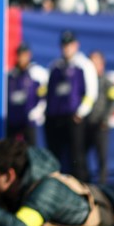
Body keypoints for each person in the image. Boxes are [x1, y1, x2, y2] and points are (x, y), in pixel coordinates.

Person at [44, 31, 97, 182]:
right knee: (55, 156)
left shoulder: (84, 64)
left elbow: (91, 92)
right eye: (64, 45)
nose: (66, 48)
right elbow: (48, 93)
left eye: (69, 45)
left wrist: (81, 112)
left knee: (77, 156)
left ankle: (83, 189)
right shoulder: (55, 66)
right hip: (55, 117)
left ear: (76, 45)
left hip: (74, 118)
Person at [84, 51, 114, 186]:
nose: (93, 65)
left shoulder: (107, 82)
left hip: (101, 126)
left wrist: (105, 119)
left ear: (102, 64)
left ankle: (103, 186)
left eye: (96, 62)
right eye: (91, 62)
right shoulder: (84, 81)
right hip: (86, 125)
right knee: (81, 158)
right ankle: (84, 184)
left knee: (102, 159)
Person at [6, 43, 48, 146]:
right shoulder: (11, 75)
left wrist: (37, 112)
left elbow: (44, 96)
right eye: (19, 55)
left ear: (29, 55)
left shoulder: (37, 72)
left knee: (32, 151)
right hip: (14, 120)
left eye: (24, 55)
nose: (21, 58)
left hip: (31, 120)